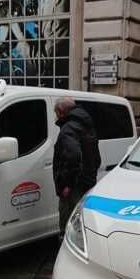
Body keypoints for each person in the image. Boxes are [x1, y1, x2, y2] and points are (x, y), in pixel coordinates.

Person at [52, 96, 100, 239]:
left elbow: (73, 156)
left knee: (68, 228)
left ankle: (66, 258)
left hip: (74, 187)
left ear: (61, 111)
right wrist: (91, 175)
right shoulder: (87, 125)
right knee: (82, 222)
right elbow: (96, 157)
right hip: (87, 181)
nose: (55, 114)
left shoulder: (69, 128)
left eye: (55, 111)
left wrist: (68, 184)